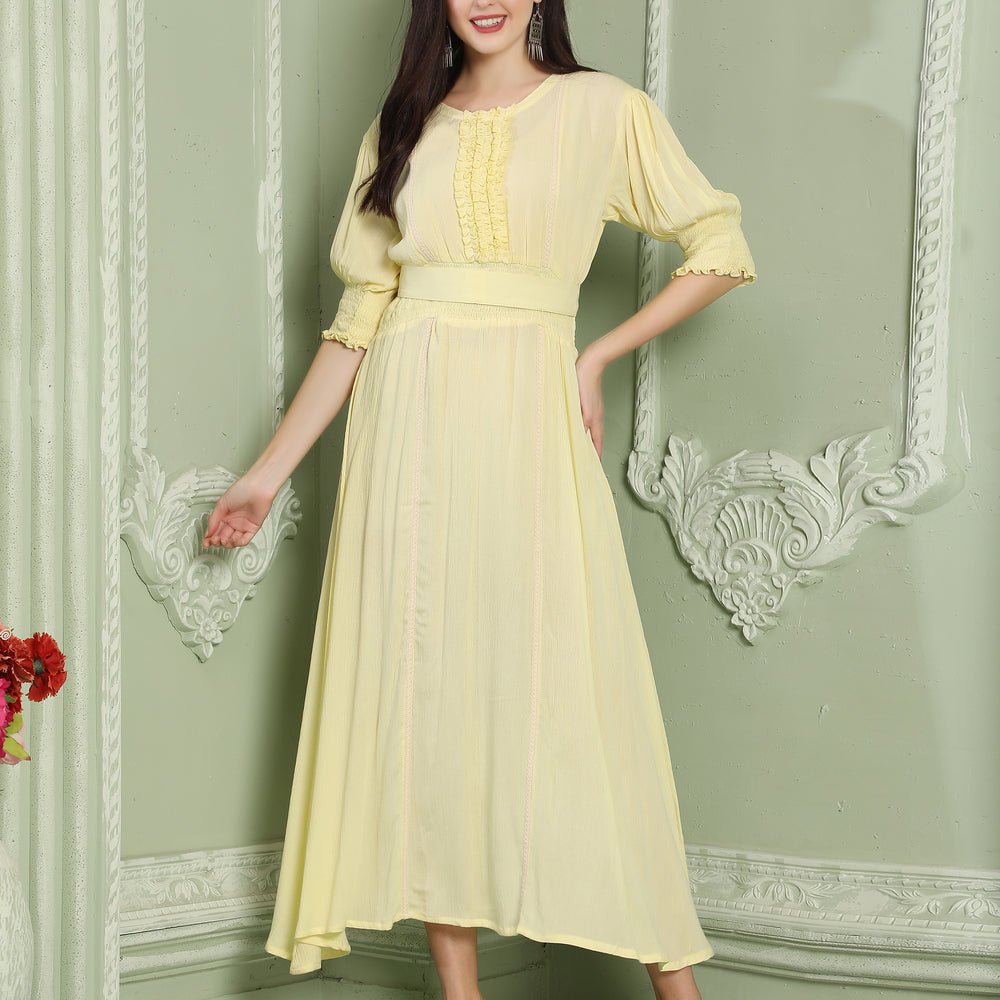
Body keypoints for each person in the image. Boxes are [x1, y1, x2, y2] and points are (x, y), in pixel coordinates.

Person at [203, 2, 756, 998]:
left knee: (580, 693)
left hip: (529, 419)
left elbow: (717, 242)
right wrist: (265, 474)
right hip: (405, 432)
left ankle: (677, 986)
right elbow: (359, 318)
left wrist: (596, 354)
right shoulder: (404, 123)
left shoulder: (603, 109)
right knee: (427, 699)